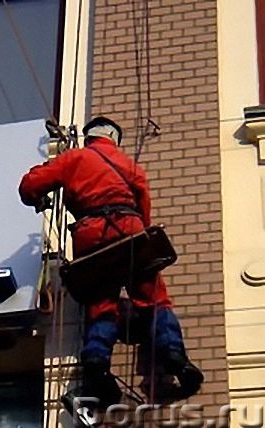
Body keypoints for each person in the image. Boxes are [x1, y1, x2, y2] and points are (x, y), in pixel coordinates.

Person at [18, 117, 203, 407]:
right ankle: (174, 354)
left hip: (90, 234)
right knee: (153, 298)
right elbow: (143, 203)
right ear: (114, 138)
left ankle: (96, 363)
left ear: (90, 137)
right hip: (129, 228)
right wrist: (140, 235)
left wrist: (37, 196)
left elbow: (30, 185)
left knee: (101, 302)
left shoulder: (74, 158)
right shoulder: (129, 165)